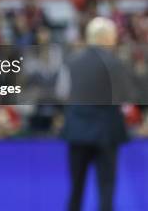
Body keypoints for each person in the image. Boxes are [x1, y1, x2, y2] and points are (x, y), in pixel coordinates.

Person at [60, 17, 129, 211]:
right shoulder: (116, 63)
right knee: (106, 188)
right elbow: (123, 97)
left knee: (76, 188)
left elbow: (62, 93)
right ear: (106, 37)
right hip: (106, 132)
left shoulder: (71, 62)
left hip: (78, 131)